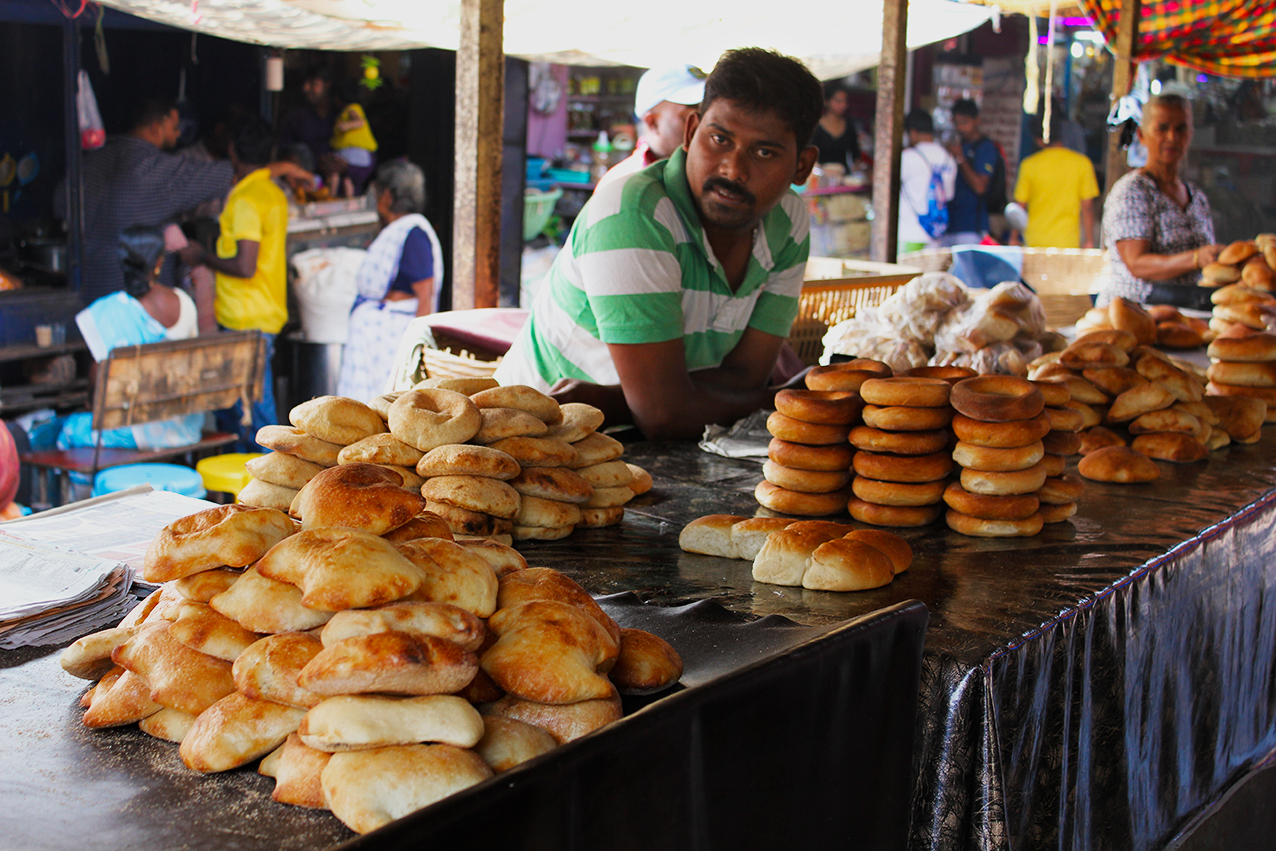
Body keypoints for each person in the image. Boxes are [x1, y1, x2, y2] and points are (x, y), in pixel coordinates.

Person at [495, 47, 822, 441]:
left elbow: (746, 376)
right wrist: (787, 396)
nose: (733, 169)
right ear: (691, 132)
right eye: (719, 139)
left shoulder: (788, 221)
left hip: (642, 446)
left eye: (764, 151)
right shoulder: (632, 214)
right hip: (527, 448)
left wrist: (620, 401)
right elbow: (664, 416)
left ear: (801, 165)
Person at [55, 98, 235, 304]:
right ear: (156, 128)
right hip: (140, 296)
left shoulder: (91, 162)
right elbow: (225, 175)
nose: (178, 134)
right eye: (174, 128)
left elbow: (60, 204)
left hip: (91, 285)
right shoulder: (154, 166)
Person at [179, 117, 289, 452]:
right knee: (246, 408)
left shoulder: (245, 200)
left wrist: (201, 256)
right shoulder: (273, 193)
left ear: (232, 152)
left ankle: (272, 483)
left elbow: (244, 265)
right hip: (263, 311)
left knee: (255, 414)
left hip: (245, 317)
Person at [58, 226, 202, 455]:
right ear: (158, 262)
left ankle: (87, 491)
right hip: (187, 427)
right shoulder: (185, 303)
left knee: (69, 429)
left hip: (137, 433)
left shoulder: (106, 311)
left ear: (122, 261)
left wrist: (89, 404)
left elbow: (99, 379)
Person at [1099, 93, 1224, 307]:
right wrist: (1195, 258)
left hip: (1185, 316)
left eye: (1181, 129)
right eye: (1162, 128)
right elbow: (1137, 264)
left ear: (1190, 135)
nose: (1172, 137)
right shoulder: (1132, 192)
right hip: (1135, 314)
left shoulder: (1197, 198)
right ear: (1141, 135)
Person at [336, 160, 444, 403]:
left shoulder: (413, 233)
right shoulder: (401, 230)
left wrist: (417, 347)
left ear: (386, 196)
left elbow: (425, 294)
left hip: (393, 337)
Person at [595, 64, 706, 192]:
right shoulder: (622, 185)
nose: (703, 126)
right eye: (689, 117)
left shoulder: (710, 176)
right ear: (652, 122)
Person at [1013, 111, 1100, 250]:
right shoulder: (1082, 164)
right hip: (1067, 242)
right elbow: (1087, 207)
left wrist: (1013, 238)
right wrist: (1089, 240)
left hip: (1034, 241)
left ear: (1038, 140)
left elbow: (1019, 207)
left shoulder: (1029, 165)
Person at [897, 108, 957, 254]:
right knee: (929, 275)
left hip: (909, 231)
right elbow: (948, 195)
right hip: (935, 234)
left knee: (904, 275)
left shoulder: (908, 156)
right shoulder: (948, 158)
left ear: (912, 132)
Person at [942, 98, 1001, 245]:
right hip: (948, 225)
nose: (960, 128)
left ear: (977, 121)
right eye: (956, 123)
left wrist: (960, 158)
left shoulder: (985, 148)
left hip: (971, 228)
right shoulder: (956, 145)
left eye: (964, 122)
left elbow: (980, 187)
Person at [329, 78, 378, 195]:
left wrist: (347, 125)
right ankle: (346, 201)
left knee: (337, 176)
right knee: (344, 179)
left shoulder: (352, 109)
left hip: (354, 153)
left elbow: (360, 121)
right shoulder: (345, 111)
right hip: (347, 152)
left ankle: (332, 197)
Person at [811, 82, 861, 174]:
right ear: (826, 101)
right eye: (838, 101)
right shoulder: (816, 127)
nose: (843, 105)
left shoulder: (849, 125)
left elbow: (856, 155)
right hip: (820, 178)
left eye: (845, 101)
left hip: (843, 177)